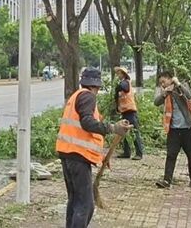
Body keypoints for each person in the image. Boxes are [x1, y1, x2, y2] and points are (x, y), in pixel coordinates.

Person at [56, 67, 132, 228]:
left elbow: (85, 132)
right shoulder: (88, 97)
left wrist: (101, 155)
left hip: (68, 153)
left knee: (75, 200)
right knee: (86, 205)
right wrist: (113, 128)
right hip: (76, 156)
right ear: (96, 85)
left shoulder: (77, 96)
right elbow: (87, 123)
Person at [154, 71, 191, 189]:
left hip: (188, 129)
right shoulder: (164, 92)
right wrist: (164, 93)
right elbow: (156, 102)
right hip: (173, 130)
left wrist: (178, 85)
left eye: (164, 81)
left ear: (170, 79)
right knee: (171, 155)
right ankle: (167, 180)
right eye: (160, 83)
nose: (162, 84)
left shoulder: (181, 86)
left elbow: (189, 96)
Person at [114, 67, 144, 160]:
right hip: (124, 111)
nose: (118, 75)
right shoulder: (121, 84)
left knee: (135, 132)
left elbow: (124, 88)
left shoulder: (126, 82)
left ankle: (139, 153)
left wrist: (117, 88)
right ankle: (127, 152)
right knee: (124, 132)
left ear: (123, 74)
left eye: (119, 73)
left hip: (130, 111)